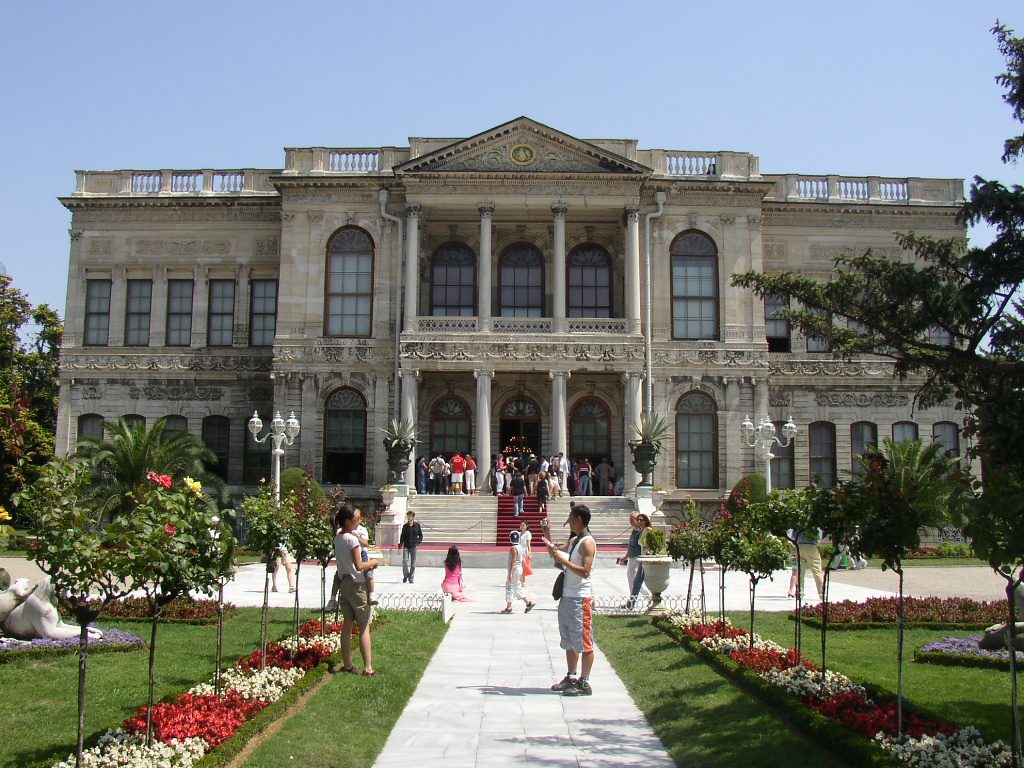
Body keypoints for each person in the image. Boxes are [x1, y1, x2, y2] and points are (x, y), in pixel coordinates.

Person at [546, 503, 597, 696]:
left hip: (580, 598)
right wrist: (547, 534)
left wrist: (565, 561)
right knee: (568, 639)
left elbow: (585, 571)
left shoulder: (587, 542)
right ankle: (572, 676)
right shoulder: (575, 540)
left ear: (579, 520)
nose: (569, 524)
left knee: (584, 640)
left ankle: (584, 682)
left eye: (571, 520)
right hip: (568, 596)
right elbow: (556, 552)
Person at [334, 504, 380, 676]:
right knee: (364, 625)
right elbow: (359, 565)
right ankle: (368, 667)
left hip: (344, 583)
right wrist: (374, 563)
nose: (359, 521)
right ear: (347, 521)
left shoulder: (338, 537)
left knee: (347, 625)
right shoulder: (352, 540)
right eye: (357, 519)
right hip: (357, 584)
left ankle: (347, 664)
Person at [501, 530, 536, 613]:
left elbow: (513, 560)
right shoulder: (520, 547)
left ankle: (509, 607)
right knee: (517, 587)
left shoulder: (514, 548)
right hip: (519, 567)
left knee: (510, 587)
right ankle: (528, 602)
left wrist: (510, 573)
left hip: (515, 569)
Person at [623, 512, 650, 609]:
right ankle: (632, 600)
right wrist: (626, 555)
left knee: (635, 581)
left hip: (638, 558)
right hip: (632, 557)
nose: (631, 521)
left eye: (632, 519)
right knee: (632, 580)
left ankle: (647, 597)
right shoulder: (634, 530)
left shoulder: (643, 531)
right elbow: (631, 544)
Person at [793, 527, 825, 600]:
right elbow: (820, 536)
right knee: (817, 571)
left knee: (800, 572)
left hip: (800, 545)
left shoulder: (798, 521)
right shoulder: (815, 521)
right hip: (812, 546)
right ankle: (822, 594)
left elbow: (793, 536)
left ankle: (799, 593)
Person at [355, 506, 377, 605]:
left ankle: (372, 594)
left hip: (362, 552)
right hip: (351, 552)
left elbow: (366, 544)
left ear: (360, 519)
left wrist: (357, 538)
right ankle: (332, 598)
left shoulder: (362, 529)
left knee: (368, 573)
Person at [399, 510, 423, 584]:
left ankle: (411, 577)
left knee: (413, 563)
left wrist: (417, 543)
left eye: (410, 516)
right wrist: (400, 545)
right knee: (405, 561)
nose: (408, 517)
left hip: (414, 546)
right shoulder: (405, 526)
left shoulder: (417, 525)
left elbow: (421, 535)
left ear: (413, 517)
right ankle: (406, 575)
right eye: (408, 516)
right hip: (406, 546)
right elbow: (402, 536)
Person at [519, 519, 533, 585]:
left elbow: (528, 544)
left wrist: (529, 552)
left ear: (526, 526)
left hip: (524, 551)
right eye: (521, 525)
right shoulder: (519, 533)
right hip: (519, 551)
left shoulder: (528, 533)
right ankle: (519, 580)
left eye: (523, 525)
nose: (521, 526)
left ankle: (523, 581)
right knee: (519, 566)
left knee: (524, 566)